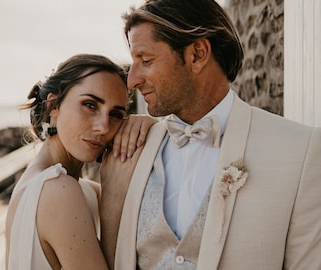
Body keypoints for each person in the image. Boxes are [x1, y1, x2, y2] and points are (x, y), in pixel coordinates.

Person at [99, 1, 321, 269]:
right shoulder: (134, 146)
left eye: (146, 60)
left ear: (197, 54)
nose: (132, 80)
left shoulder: (299, 150)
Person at [5, 53, 155, 270]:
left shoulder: (68, 187)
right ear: (53, 106)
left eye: (115, 114)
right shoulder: (57, 189)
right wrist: (112, 203)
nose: (103, 127)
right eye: (90, 105)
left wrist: (150, 130)